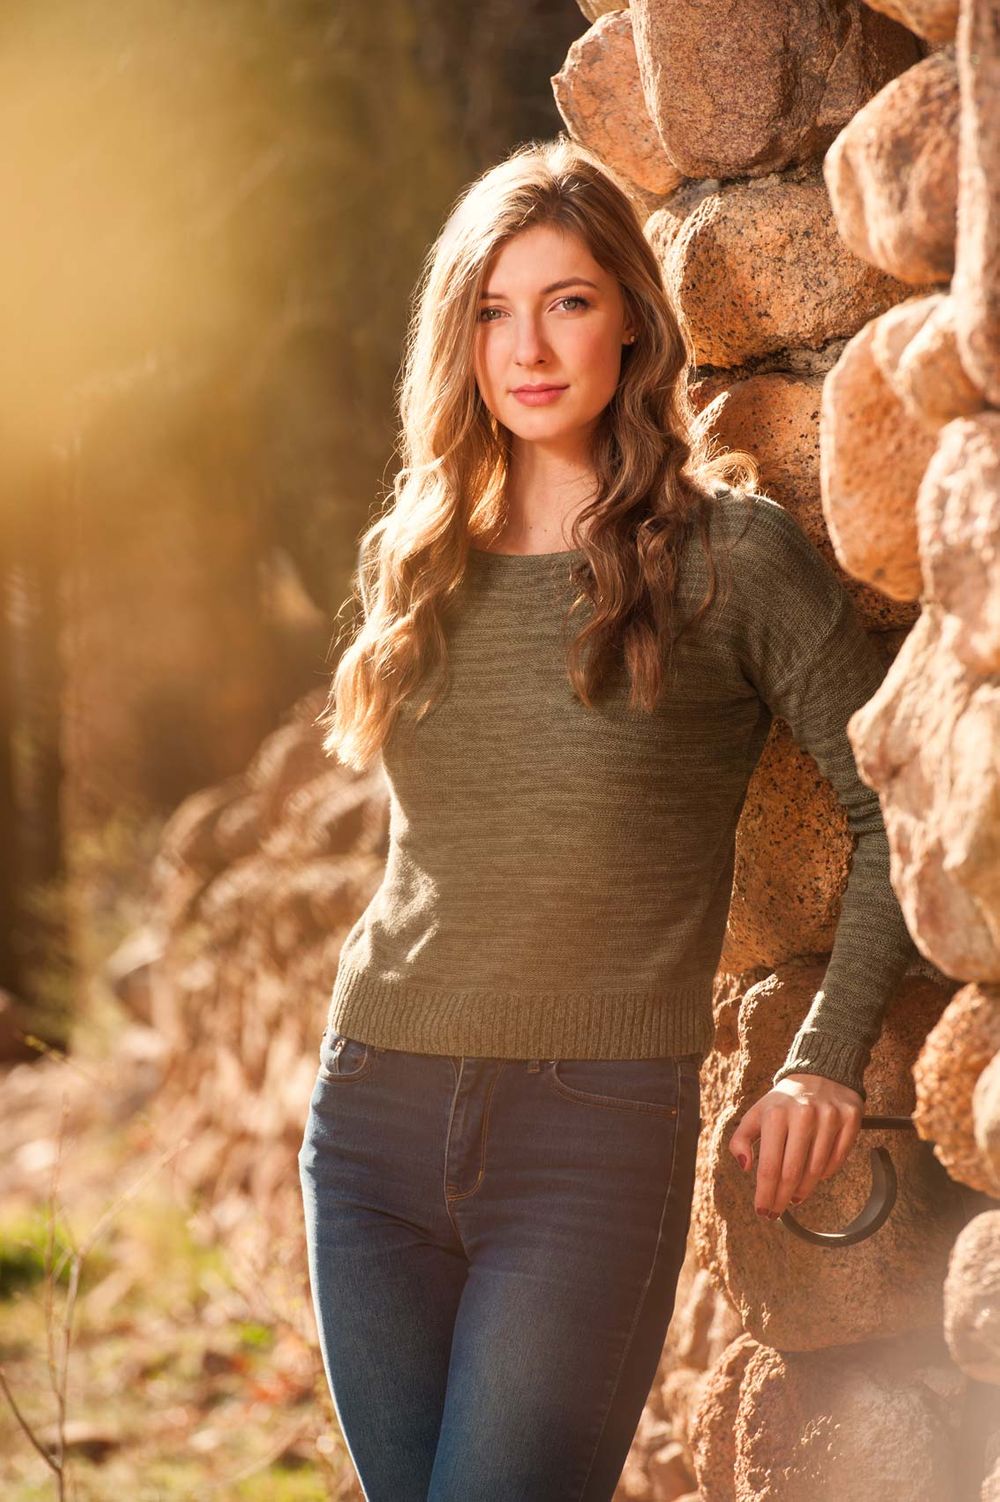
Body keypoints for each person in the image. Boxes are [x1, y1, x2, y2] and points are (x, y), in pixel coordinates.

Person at [297, 134, 919, 1501]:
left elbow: (903, 798)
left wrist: (824, 1056)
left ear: (630, 317)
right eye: (493, 309)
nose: (528, 345)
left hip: (587, 1144)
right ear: (456, 337)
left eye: (567, 299)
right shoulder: (417, 558)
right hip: (374, 1120)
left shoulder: (730, 561)